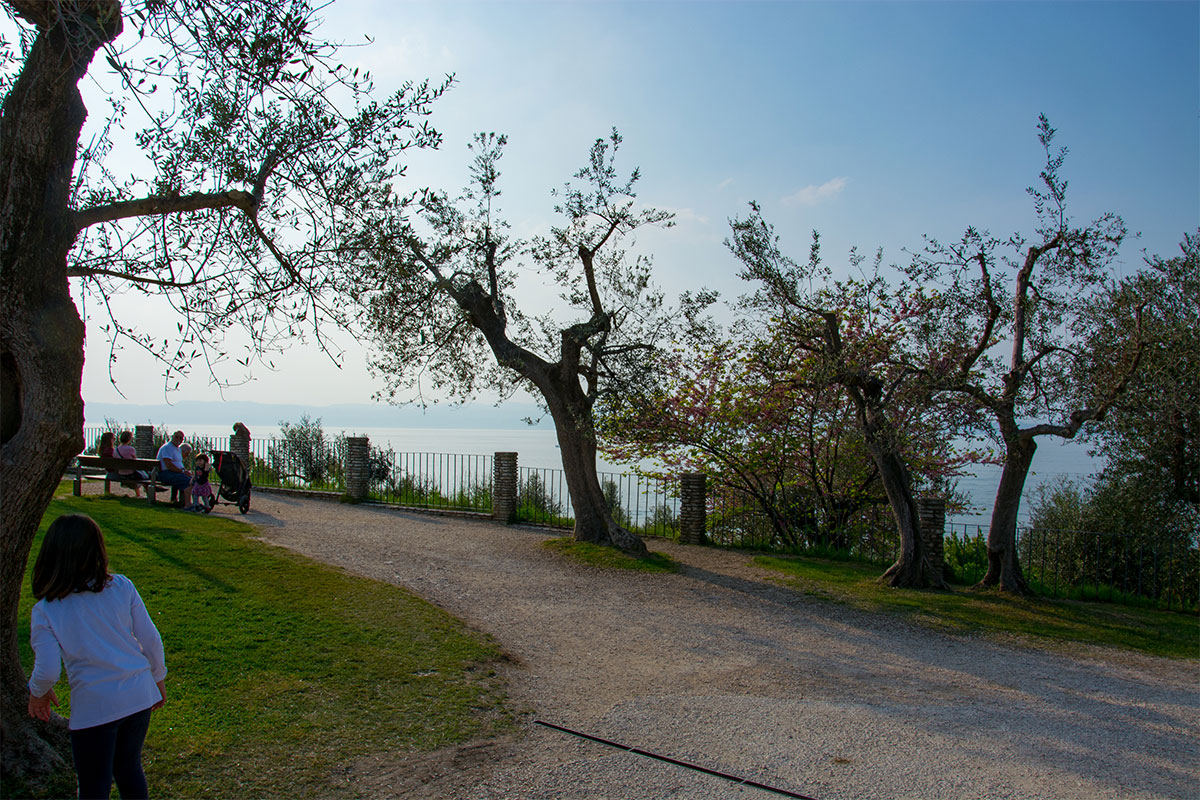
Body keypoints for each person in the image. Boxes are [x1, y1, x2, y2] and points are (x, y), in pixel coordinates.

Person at [27, 514, 167, 800]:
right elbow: (150, 639)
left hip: (95, 707)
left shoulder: (46, 610)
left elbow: (48, 670)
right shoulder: (122, 586)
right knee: (129, 769)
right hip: (138, 694)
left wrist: (37, 694)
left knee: (94, 785)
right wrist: (158, 678)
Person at [156, 431, 191, 509]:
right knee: (187, 480)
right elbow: (168, 465)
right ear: (172, 437)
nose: (178, 439)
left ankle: (182, 502)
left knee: (190, 479)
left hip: (174, 472)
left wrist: (184, 471)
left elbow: (178, 463)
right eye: (176, 437)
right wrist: (182, 471)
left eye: (181, 438)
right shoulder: (168, 447)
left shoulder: (178, 449)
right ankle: (186, 504)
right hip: (165, 473)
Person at [115, 431, 148, 498]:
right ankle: (148, 494)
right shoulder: (131, 449)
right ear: (129, 439)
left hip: (120, 473)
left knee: (142, 474)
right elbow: (135, 462)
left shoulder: (116, 450)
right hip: (130, 474)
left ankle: (138, 494)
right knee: (146, 476)